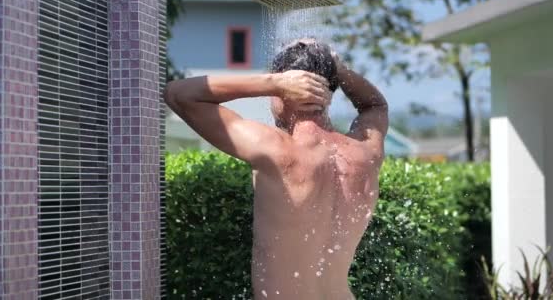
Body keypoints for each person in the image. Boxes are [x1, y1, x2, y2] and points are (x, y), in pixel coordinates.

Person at [163, 39, 388, 299]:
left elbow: (178, 93)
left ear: (288, 91)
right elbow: (375, 105)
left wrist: (274, 83)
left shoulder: (275, 150)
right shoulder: (364, 152)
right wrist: (337, 67)